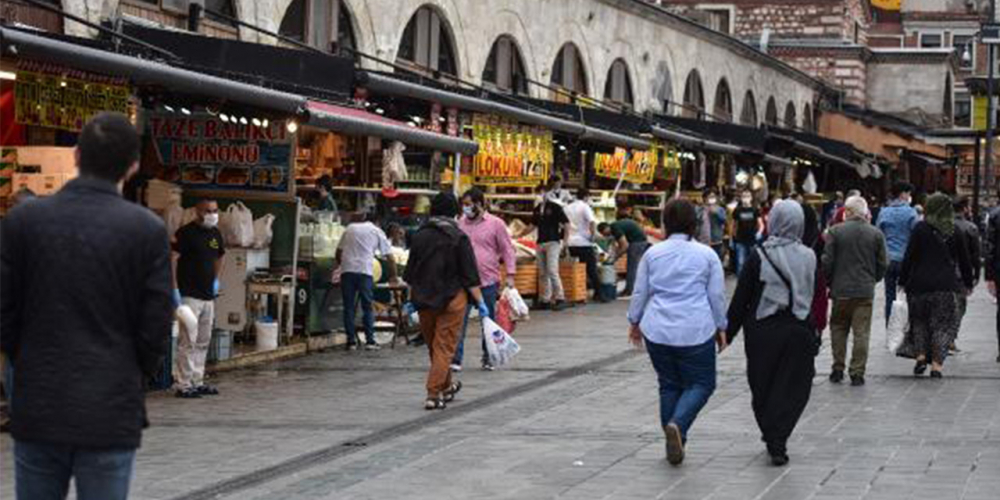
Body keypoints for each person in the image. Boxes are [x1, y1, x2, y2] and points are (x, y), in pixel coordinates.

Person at [1, 112, 172, 500]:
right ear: (133, 166)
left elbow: (5, 311)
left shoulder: (24, 221)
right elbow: (156, 323)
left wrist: (25, 359)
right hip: (110, 406)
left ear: (76, 155)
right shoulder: (145, 230)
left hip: (39, 401)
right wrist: (133, 372)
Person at [627, 199, 728, 466]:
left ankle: (673, 435)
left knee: (669, 384)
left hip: (657, 329)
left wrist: (634, 320)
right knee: (702, 384)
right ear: (694, 223)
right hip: (696, 328)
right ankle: (678, 426)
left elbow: (640, 292)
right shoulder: (707, 255)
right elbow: (716, 296)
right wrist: (722, 326)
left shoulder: (653, 254)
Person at [726, 200, 819, 466]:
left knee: (762, 384)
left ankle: (772, 434)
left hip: (762, 332)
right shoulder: (810, 256)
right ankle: (778, 436)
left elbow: (742, 299)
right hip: (799, 329)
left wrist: (727, 332)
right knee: (794, 387)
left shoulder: (758, 255)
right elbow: (811, 295)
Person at [404, 193, 488, 410]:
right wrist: (481, 302)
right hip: (453, 298)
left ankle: (447, 386)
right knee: (444, 347)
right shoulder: (458, 236)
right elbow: (470, 274)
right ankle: (433, 393)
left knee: (435, 346)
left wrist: (409, 299)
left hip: (424, 299)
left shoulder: (419, 236)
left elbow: (410, 272)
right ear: (455, 212)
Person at [898, 194, 974, 378]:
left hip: (918, 285)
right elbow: (965, 260)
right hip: (945, 286)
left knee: (919, 322)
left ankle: (921, 356)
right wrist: (968, 283)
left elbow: (909, 257)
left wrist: (902, 281)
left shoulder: (919, 229)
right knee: (942, 325)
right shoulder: (954, 230)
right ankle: (937, 366)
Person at [822, 195, 887, 386]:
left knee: (838, 328)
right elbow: (883, 263)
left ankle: (837, 368)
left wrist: (830, 281)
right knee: (861, 332)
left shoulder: (835, 232)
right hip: (864, 291)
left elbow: (827, 261)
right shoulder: (875, 234)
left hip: (840, 290)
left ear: (848, 212)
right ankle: (857, 372)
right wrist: (873, 279)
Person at [454, 187, 516, 371]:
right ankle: (455, 359)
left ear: (480, 204)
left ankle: (489, 357)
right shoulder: (460, 224)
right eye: (463, 205)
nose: (465, 208)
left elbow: (507, 249)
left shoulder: (496, 224)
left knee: (488, 322)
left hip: (487, 281)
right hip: (464, 282)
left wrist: (510, 275)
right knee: (458, 321)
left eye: (468, 204)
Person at [172, 199, 226, 399]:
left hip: (208, 296)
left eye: (215, 210)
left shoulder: (215, 233)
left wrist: (216, 280)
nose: (212, 214)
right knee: (188, 340)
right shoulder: (185, 233)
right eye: (207, 211)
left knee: (204, 340)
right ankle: (183, 384)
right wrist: (174, 287)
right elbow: (173, 258)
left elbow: (221, 256)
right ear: (197, 212)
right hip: (189, 296)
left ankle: (197, 380)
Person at [336, 213, 397, 351]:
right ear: (377, 222)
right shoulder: (376, 231)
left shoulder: (350, 228)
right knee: (367, 306)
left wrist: (344, 265)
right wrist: (393, 277)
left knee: (349, 307)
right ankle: (370, 341)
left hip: (347, 271)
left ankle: (351, 341)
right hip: (364, 272)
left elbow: (338, 253)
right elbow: (390, 258)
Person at [876, 182, 917, 323]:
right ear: (903, 194)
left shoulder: (884, 212)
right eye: (908, 193)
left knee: (890, 296)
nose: (909, 196)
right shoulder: (911, 213)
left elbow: (878, 236)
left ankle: (891, 328)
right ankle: (906, 326)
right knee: (908, 295)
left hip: (888, 260)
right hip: (906, 260)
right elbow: (916, 236)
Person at [533, 185, 570, 310]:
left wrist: (565, 242)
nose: (538, 196)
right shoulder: (537, 209)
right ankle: (545, 299)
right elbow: (532, 225)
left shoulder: (555, 207)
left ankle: (560, 297)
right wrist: (518, 235)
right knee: (542, 273)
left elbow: (566, 223)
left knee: (552, 271)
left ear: (546, 193)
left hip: (553, 242)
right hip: (540, 242)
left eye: (540, 193)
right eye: (537, 193)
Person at [952, 196, 981, 349]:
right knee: (960, 306)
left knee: (946, 306)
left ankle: (946, 336)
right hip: (963, 273)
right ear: (964, 209)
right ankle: (951, 337)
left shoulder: (945, 226)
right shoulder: (971, 228)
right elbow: (975, 255)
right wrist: (976, 275)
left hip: (945, 271)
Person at [601, 210, 650, 297]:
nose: (605, 236)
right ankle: (633, 289)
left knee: (631, 267)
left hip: (637, 242)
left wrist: (615, 258)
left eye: (604, 233)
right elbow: (618, 244)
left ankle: (629, 290)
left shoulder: (615, 228)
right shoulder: (614, 227)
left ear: (606, 228)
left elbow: (624, 245)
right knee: (634, 266)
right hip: (639, 241)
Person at [564, 188, 600, 298]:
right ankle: (599, 293)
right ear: (586, 197)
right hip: (584, 243)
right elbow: (592, 222)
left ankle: (578, 292)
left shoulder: (567, 207)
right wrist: (593, 236)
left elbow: (563, 225)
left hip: (571, 243)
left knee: (575, 270)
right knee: (591, 269)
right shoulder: (585, 206)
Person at [732, 190, 762, 276]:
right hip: (740, 239)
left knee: (752, 262)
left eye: (747, 196)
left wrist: (759, 232)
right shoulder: (737, 210)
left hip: (752, 239)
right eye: (744, 196)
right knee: (740, 262)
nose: (745, 198)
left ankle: (751, 280)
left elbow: (761, 224)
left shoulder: (755, 209)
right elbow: (734, 225)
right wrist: (732, 237)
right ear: (741, 198)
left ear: (751, 198)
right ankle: (740, 281)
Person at [696, 189, 727, 262]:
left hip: (716, 240)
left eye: (713, 196)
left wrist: (716, 213)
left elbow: (724, 220)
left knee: (716, 261)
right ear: (704, 198)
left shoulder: (720, 209)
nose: (712, 199)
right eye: (709, 197)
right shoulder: (699, 209)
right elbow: (696, 221)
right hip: (702, 241)